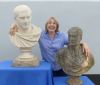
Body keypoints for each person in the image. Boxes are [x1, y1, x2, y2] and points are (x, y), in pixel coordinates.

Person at [10, 17, 91, 76]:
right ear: (46, 25)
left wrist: (83, 43)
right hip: (47, 69)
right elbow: (28, 30)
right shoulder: (40, 35)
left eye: (54, 23)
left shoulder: (62, 35)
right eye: (49, 23)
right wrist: (16, 27)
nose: (51, 25)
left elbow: (73, 43)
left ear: (57, 26)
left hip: (61, 68)